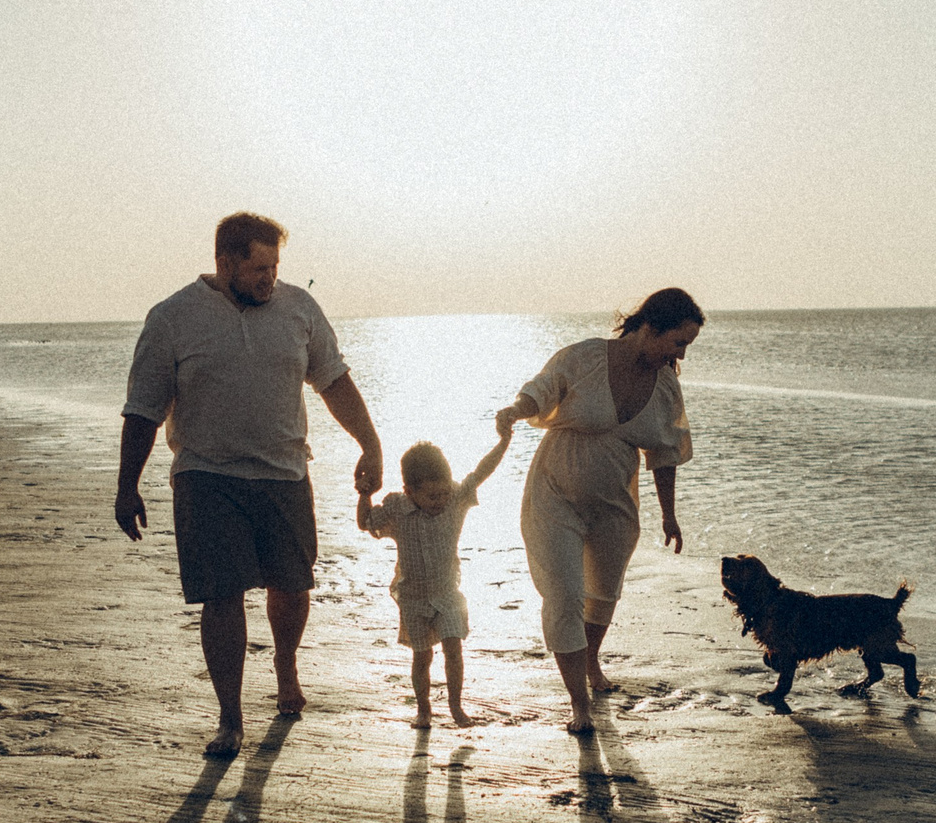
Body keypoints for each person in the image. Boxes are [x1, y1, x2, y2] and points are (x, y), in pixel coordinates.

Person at [117, 212, 385, 758]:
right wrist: (128, 485)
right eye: (259, 267)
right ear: (225, 263)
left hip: (284, 471)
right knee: (222, 595)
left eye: (275, 266)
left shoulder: (298, 309)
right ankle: (230, 717)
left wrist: (370, 444)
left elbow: (334, 381)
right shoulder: (172, 318)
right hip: (206, 474)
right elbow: (144, 409)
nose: (270, 277)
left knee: (292, 585)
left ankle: (286, 664)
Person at [498, 287, 702, 733]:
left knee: (603, 595)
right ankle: (579, 705)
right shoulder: (585, 357)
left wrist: (669, 515)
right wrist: (517, 409)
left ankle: (590, 662)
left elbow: (664, 454)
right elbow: (544, 388)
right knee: (565, 594)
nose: (682, 352)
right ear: (650, 328)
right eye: (678, 341)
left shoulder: (665, 385)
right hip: (555, 493)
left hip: (615, 504)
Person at [356, 426, 514, 727]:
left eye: (443, 492)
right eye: (431, 496)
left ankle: (456, 707)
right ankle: (424, 710)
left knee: (453, 648)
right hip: (413, 598)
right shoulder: (397, 509)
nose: (440, 500)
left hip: (448, 595)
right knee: (422, 657)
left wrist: (503, 442)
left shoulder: (455, 500)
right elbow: (366, 523)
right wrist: (365, 494)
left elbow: (482, 471)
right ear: (410, 491)